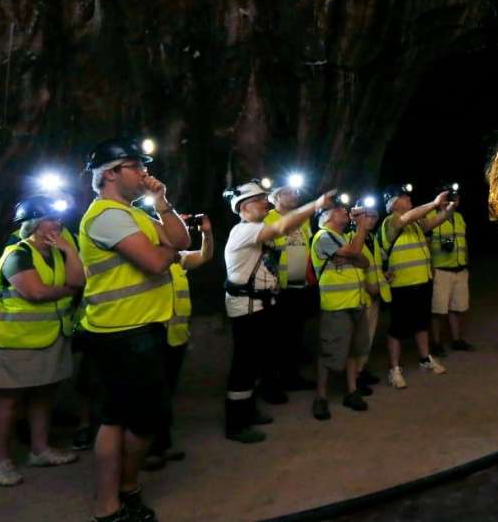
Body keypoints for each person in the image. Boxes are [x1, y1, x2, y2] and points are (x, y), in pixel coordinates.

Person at [79, 138, 190, 522]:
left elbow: (181, 241)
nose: (144, 173)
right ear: (110, 173)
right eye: (135, 166)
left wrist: (162, 204)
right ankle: (114, 499)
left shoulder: (133, 214)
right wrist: (170, 254)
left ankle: (120, 494)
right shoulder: (107, 216)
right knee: (133, 418)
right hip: (122, 331)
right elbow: (158, 261)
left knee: (123, 416)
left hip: (139, 327)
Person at [223, 181, 333, 442]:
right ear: (245, 206)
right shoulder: (244, 230)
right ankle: (236, 423)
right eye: (261, 199)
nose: (266, 202)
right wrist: (316, 205)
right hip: (247, 307)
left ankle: (248, 411)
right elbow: (284, 226)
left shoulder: (255, 229)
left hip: (259, 304)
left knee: (252, 363)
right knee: (244, 365)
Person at [0, 195, 83, 487]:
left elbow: (79, 281)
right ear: (35, 225)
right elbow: (36, 292)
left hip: (50, 336)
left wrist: (69, 251)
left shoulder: (55, 252)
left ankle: (40, 450)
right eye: (51, 219)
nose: (58, 224)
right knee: (9, 401)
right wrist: (67, 290)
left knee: (44, 396)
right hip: (17, 340)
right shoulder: (18, 254)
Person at [143, 213, 213, 471]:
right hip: (152, 334)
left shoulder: (175, 259)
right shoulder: (149, 258)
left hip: (176, 335)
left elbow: (204, 256)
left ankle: (161, 443)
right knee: (150, 395)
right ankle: (149, 449)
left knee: (165, 393)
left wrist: (206, 233)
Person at [378, 185, 454, 388]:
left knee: (422, 323)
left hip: (422, 280)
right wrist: (434, 203)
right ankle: (394, 369)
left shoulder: (416, 222)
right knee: (398, 328)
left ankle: (424, 359)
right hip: (401, 284)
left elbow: (436, 220)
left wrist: (450, 207)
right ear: (393, 203)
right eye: (403, 196)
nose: (409, 197)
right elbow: (406, 218)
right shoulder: (390, 221)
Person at [309, 200, 375, 419]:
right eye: (339, 210)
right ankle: (321, 397)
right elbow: (356, 252)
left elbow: (364, 262)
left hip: (355, 301)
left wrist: (351, 253)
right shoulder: (323, 236)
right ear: (327, 217)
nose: (345, 212)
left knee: (354, 351)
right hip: (336, 305)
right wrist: (361, 227)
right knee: (329, 352)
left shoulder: (343, 238)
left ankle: (352, 391)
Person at [265, 186, 318, 392]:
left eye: (296, 193)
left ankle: (292, 376)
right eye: (288, 192)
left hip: (299, 283)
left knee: (296, 333)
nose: (294, 196)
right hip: (275, 286)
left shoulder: (302, 217)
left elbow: (305, 246)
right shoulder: (267, 218)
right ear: (275, 197)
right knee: (276, 335)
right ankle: (273, 381)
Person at [427, 185, 475, 356]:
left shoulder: (460, 217)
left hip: (460, 269)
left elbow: (464, 242)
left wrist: (467, 263)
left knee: (457, 307)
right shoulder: (431, 218)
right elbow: (425, 245)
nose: (453, 201)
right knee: (438, 310)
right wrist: (429, 268)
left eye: (455, 197)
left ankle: (456, 340)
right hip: (441, 270)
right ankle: (436, 343)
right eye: (449, 198)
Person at [352, 196, 388, 390]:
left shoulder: (372, 239)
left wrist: (384, 276)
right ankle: (355, 377)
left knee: (369, 337)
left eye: (374, 216)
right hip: (360, 296)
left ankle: (361, 369)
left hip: (374, 296)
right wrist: (367, 285)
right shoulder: (352, 238)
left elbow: (375, 264)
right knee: (359, 338)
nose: (372, 220)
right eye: (367, 216)